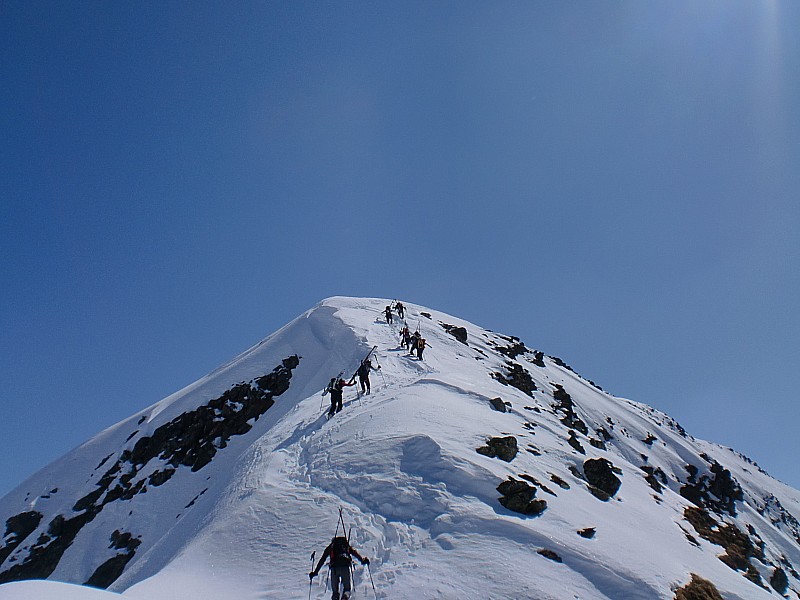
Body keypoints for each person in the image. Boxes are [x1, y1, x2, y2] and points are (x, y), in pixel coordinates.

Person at [309, 536, 369, 600]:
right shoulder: (345, 546)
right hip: (345, 567)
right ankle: (345, 597)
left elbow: (322, 559)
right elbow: (354, 553)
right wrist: (363, 560)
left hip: (334, 568)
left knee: (335, 592)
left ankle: (336, 598)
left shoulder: (332, 546)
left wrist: (315, 572)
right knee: (347, 589)